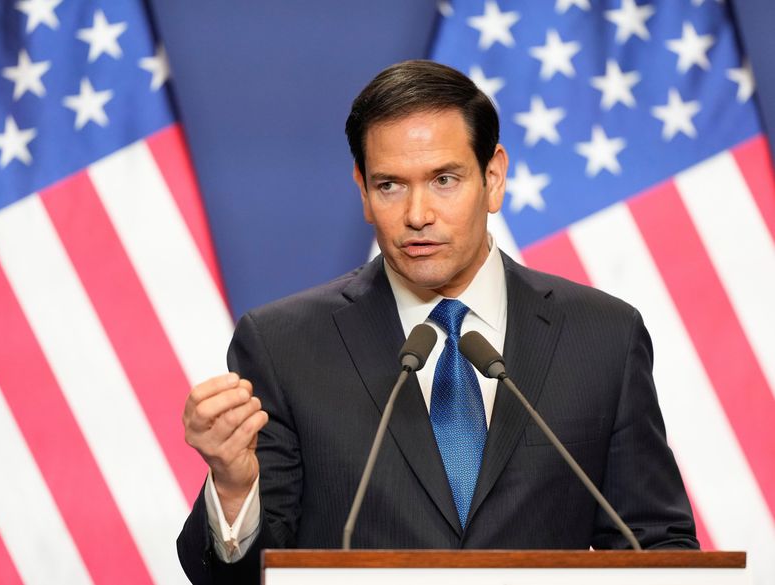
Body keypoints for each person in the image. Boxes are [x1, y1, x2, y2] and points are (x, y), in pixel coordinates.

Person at [177, 60, 698, 585]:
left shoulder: (603, 336)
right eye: (390, 185)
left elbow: (656, 545)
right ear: (362, 190)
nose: (418, 214)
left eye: (444, 179)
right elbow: (239, 581)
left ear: (493, 178)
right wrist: (235, 488)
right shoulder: (283, 347)